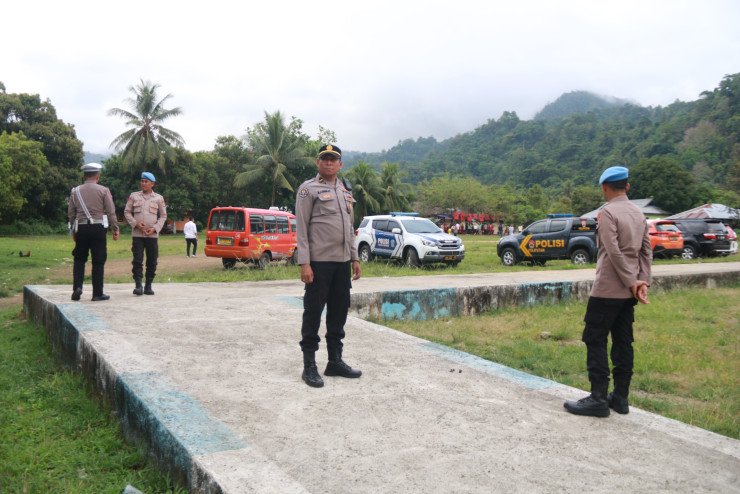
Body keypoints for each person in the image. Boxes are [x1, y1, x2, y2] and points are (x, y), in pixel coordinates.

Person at [564, 166, 651, 417]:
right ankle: (620, 398)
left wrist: (631, 281)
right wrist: (641, 281)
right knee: (623, 341)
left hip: (607, 289)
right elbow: (646, 250)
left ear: (604, 187)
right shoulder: (639, 213)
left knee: (595, 339)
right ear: (627, 186)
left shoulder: (607, 213)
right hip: (628, 293)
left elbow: (613, 251)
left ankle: (598, 398)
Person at [295, 144, 362, 388]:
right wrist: (304, 263)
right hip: (319, 263)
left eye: (333, 159)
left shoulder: (345, 191)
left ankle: (334, 361)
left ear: (340, 164)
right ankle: (309, 366)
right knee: (313, 312)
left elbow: (349, 228)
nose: (329, 162)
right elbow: (302, 228)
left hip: (342, 263)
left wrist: (354, 257)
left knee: (339, 312)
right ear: (318, 162)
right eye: (325, 158)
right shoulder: (308, 189)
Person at [68, 163, 120, 301]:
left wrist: (73, 230)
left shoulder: (75, 191)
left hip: (81, 228)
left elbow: (71, 214)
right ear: (97, 176)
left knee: (79, 258)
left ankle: (77, 288)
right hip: (98, 228)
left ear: (84, 176)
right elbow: (111, 212)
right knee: (98, 260)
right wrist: (115, 228)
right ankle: (97, 293)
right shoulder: (104, 190)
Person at [124, 172, 167, 296]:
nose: (143, 183)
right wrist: (135, 224)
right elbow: (127, 212)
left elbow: (163, 216)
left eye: (146, 181)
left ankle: (148, 285)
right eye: (142, 181)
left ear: (152, 184)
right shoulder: (134, 196)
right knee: (137, 260)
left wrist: (155, 228)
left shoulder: (158, 198)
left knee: (152, 261)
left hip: (152, 235)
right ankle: (138, 285)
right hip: (137, 235)